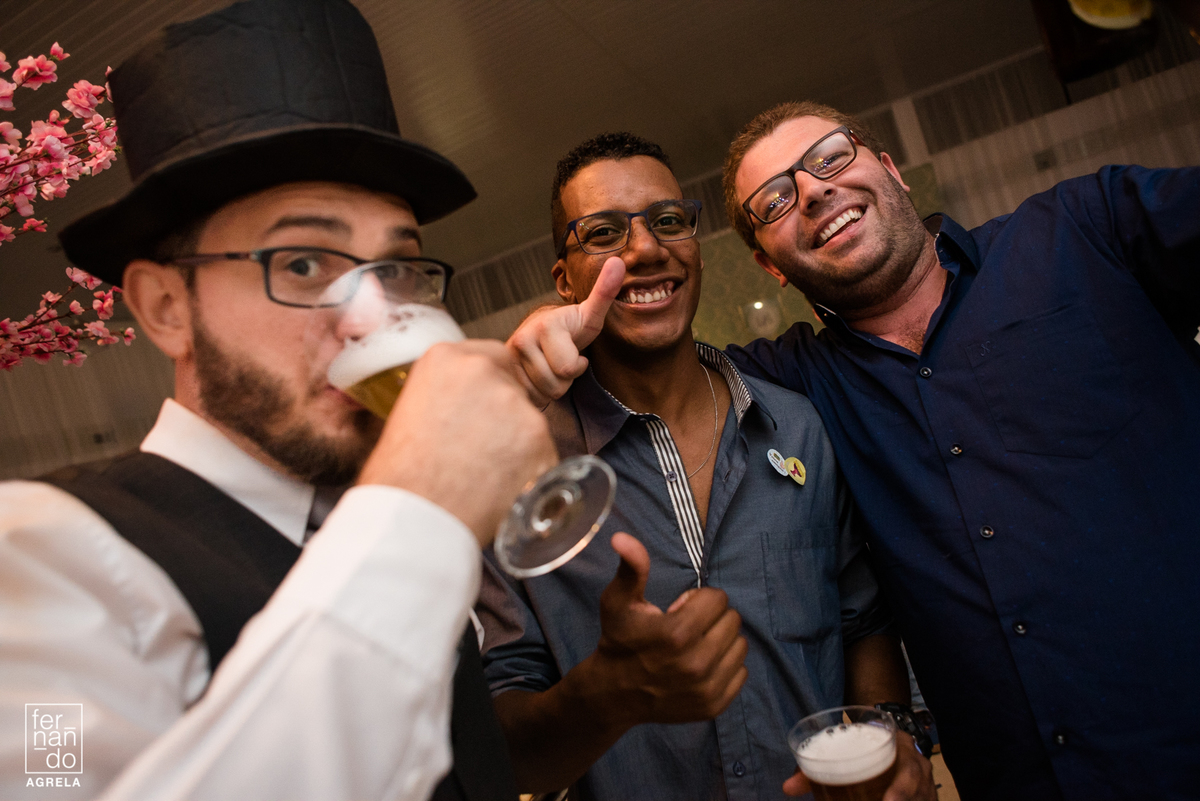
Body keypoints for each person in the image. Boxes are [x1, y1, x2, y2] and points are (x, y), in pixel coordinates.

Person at [508, 101, 1200, 801]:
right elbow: (652, 360)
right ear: (768, 264)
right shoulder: (798, 385)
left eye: (830, 157)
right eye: (774, 200)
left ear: (891, 169)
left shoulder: (1083, 232)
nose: (812, 190)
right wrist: (544, 338)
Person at [0, 1, 556, 799]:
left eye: (395, 269)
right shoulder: (43, 554)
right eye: (302, 263)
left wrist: (608, 698)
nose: (367, 319)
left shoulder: (374, 509)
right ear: (166, 308)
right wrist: (418, 516)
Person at [479, 132, 934, 801]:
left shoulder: (797, 427)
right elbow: (503, 735)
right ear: (564, 278)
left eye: (668, 221)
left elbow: (862, 622)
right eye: (603, 232)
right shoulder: (513, 470)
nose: (645, 249)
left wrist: (888, 737)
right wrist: (606, 693)